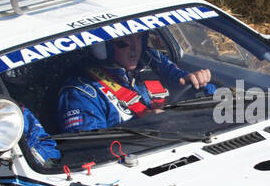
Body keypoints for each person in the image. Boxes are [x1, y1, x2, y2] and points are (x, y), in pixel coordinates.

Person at [57, 32, 214, 132]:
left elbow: (184, 82)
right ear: (102, 47)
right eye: (124, 42)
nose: (136, 48)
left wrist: (197, 82)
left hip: (182, 139)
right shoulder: (81, 91)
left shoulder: (152, 60)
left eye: (139, 37)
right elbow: (89, 149)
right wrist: (140, 124)